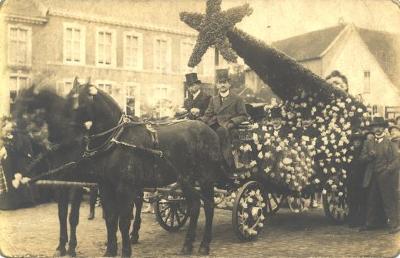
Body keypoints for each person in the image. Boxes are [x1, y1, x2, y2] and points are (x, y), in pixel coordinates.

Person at [200, 68, 248, 173]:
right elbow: (208, 114)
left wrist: (232, 122)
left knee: (221, 133)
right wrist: (198, 121)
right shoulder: (214, 99)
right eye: (220, 83)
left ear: (229, 84)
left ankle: (229, 166)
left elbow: (244, 115)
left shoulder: (237, 99)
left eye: (224, 82)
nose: (222, 85)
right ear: (217, 85)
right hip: (214, 125)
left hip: (229, 128)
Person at [359, 117, 400, 234]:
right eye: (375, 127)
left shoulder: (390, 142)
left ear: (383, 128)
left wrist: (388, 170)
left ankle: (394, 225)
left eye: (379, 127)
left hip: (385, 175)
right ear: (372, 129)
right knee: (371, 200)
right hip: (372, 176)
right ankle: (371, 223)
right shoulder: (368, 143)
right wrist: (369, 156)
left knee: (388, 200)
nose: (377, 129)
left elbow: (397, 160)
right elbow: (361, 159)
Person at [347, 131, 368, 227]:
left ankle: (361, 220)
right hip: (352, 180)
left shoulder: (363, 152)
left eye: (359, 141)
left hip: (361, 179)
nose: (357, 143)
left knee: (361, 200)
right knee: (352, 200)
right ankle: (352, 220)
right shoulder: (349, 152)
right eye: (355, 141)